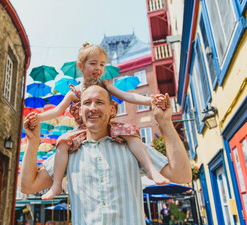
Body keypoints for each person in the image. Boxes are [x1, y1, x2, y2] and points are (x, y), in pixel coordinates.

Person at [21, 83, 192, 225]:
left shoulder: (132, 146)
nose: (92, 108)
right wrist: (33, 142)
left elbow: (181, 174)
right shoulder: (67, 151)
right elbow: (29, 185)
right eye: (87, 103)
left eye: (100, 102)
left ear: (112, 110)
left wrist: (165, 122)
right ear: (79, 111)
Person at [26, 42, 169, 201]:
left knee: (131, 133)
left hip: (107, 125)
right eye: (93, 63)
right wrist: (37, 117)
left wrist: (151, 101)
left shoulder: (105, 86)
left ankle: (151, 170)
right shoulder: (75, 92)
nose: (98, 68)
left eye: (101, 64)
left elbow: (128, 96)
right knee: (62, 143)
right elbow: (57, 110)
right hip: (84, 130)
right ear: (80, 66)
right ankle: (57, 184)